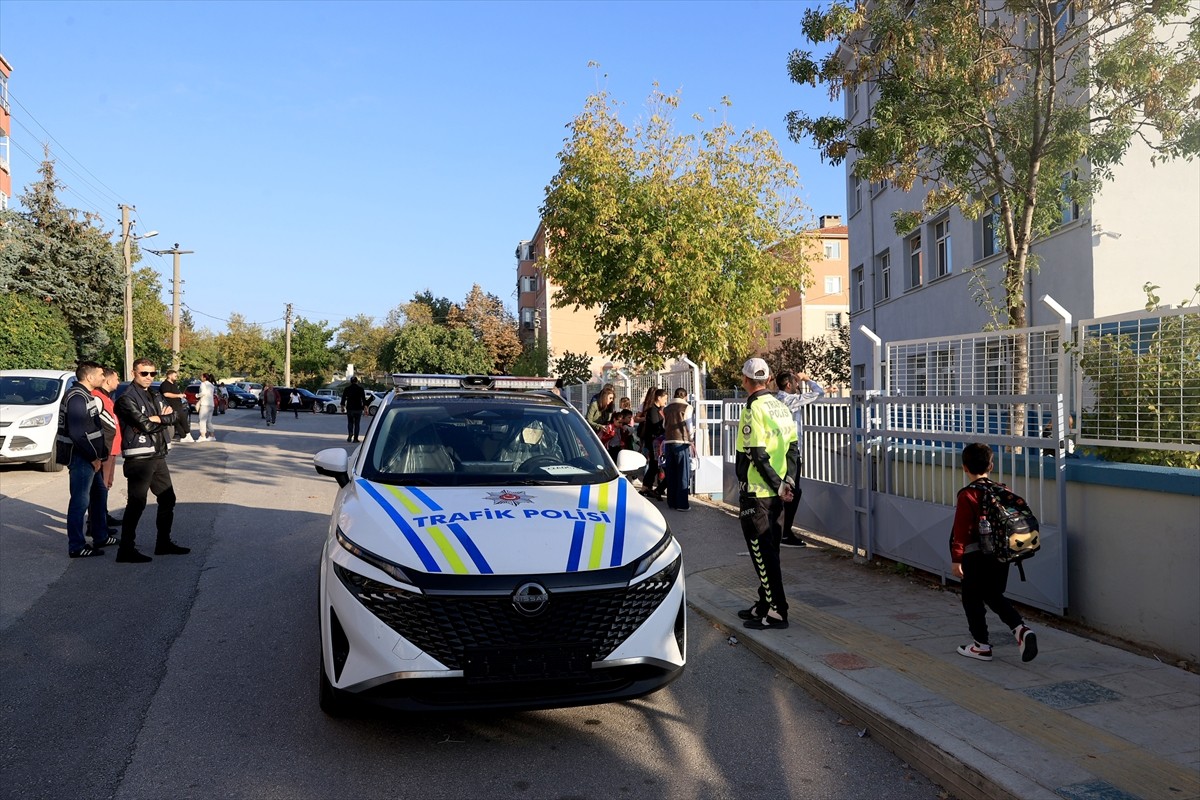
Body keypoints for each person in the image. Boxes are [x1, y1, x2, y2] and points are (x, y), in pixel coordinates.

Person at [950, 443, 1038, 663]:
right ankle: (1021, 629)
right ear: (991, 465)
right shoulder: (1002, 491)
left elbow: (960, 532)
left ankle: (981, 645)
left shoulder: (968, 495)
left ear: (964, 468)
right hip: (1001, 555)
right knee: (993, 594)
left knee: (972, 599)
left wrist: (956, 559)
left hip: (974, 557)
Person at [735, 358, 799, 631]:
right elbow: (793, 450)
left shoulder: (753, 407)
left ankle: (777, 611)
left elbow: (756, 454)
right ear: (770, 377)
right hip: (777, 493)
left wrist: (777, 485)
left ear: (745, 380)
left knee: (763, 554)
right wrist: (788, 483)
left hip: (758, 492)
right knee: (770, 551)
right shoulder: (781, 406)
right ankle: (764, 603)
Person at [115, 358, 189, 563]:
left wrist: (158, 419)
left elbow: (174, 415)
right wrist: (157, 419)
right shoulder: (126, 398)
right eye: (144, 373)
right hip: (139, 457)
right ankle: (126, 549)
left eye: (152, 374)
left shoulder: (154, 393)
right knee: (137, 504)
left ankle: (163, 543)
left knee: (168, 498)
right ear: (133, 373)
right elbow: (145, 425)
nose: (148, 377)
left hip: (157, 454)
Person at [57, 361, 110, 558]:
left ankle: (101, 535)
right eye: (100, 374)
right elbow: (78, 433)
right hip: (82, 458)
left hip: (91, 457)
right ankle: (77, 546)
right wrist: (94, 457)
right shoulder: (77, 397)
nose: (103, 377)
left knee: (99, 495)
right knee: (80, 502)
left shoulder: (84, 394)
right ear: (89, 377)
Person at [773, 370, 825, 548]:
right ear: (788, 385)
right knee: (792, 492)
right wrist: (808, 379)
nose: (798, 386)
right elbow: (819, 393)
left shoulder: (775, 400)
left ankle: (778, 531)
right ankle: (785, 534)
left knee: (782, 491)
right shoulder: (791, 400)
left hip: (779, 451)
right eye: (796, 383)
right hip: (791, 452)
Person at [87, 367, 123, 551]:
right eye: (116, 379)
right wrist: (100, 451)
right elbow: (94, 425)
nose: (118, 382)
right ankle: (96, 526)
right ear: (108, 381)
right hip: (105, 450)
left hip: (112, 449)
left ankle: (102, 519)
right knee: (99, 488)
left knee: (105, 485)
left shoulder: (106, 397)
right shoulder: (96, 397)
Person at [661, 387, 694, 511]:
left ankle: (672, 502)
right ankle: (682, 504)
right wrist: (691, 437)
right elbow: (689, 425)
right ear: (685, 396)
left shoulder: (667, 408)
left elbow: (664, 425)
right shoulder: (687, 407)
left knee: (671, 473)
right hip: (682, 442)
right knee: (683, 473)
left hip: (669, 442)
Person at [639, 389, 668, 499]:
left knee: (655, 465)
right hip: (654, 442)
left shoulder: (659, 410)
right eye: (665, 398)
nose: (666, 401)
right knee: (654, 465)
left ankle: (647, 487)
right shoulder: (652, 410)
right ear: (659, 398)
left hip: (657, 441)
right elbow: (656, 426)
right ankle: (646, 487)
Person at [159, 369, 192, 443]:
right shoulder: (165, 384)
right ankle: (187, 434)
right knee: (180, 419)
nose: (176, 377)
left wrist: (181, 395)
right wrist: (178, 395)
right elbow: (166, 394)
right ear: (169, 375)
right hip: (171, 405)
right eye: (175, 375)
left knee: (177, 420)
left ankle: (183, 436)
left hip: (178, 404)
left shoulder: (174, 384)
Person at [341, 377, 368, 443]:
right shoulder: (360, 389)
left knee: (350, 422)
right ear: (357, 381)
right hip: (358, 408)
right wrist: (365, 407)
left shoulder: (347, 389)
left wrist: (342, 406)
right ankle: (355, 438)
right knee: (357, 424)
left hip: (350, 408)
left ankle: (350, 433)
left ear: (350, 382)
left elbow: (343, 398)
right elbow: (363, 399)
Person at [197, 373, 217, 442]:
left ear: (204, 378)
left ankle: (203, 436)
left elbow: (204, 392)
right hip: (211, 404)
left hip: (205, 404)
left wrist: (197, 395)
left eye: (201, 377)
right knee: (209, 421)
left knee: (202, 420)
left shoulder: (203, 384)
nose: (200, 378)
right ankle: (212, 435)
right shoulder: (211, 385)